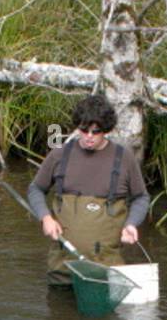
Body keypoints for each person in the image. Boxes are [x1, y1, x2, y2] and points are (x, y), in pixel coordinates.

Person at [27, 94, 150, 287]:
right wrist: (46, 217)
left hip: (106, 273)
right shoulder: (58, 155)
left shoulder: (124, 158)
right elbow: (35, 189)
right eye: (84, 130)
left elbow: (141, 197)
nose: (89, 137)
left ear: (106, 130)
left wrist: (132, 224)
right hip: (62, 270)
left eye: (95, 131)